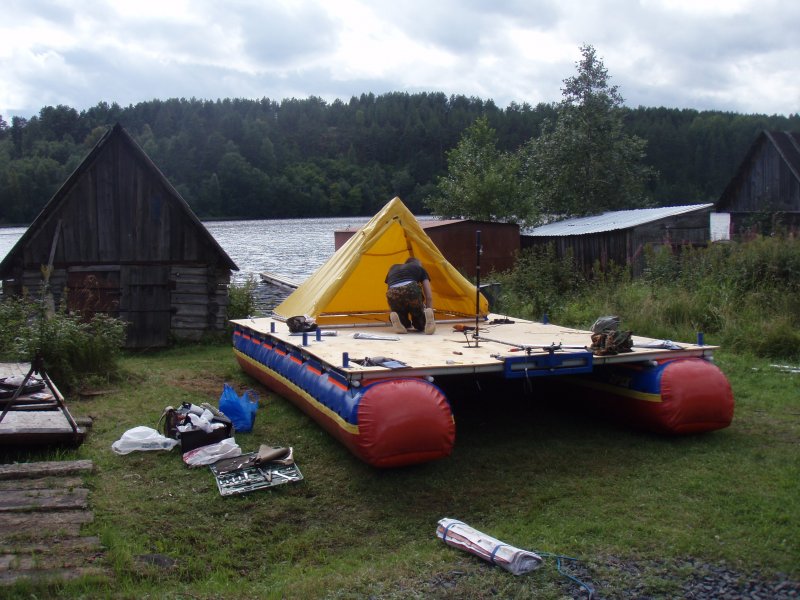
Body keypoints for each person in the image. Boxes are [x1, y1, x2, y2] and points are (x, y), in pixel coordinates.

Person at [385, 257, 435, 334]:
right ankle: (427, 322)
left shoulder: (393, 268)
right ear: (418, 264)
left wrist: (393, 309)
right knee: (419, 320)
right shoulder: (420, 268)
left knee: (400, 315)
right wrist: (429, 311)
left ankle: (399, 320)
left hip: (392, 292)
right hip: (411, 289)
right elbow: (429, 296)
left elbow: (389, 288)